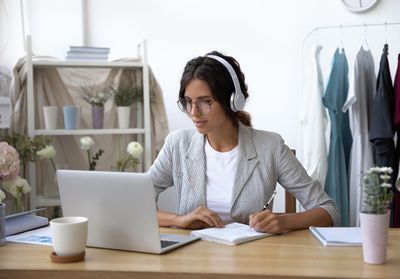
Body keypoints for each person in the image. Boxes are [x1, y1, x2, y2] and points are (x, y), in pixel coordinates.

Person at [148, 51, 340, 234]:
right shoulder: (177, 144)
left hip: (250, 258)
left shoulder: (270, 146)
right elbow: (136, 202)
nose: (193, 112)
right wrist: (178, 219)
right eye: (188, 102)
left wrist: (284, 221)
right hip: (193, 258)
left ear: (233, 101)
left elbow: (329, 211)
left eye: (205, 102)